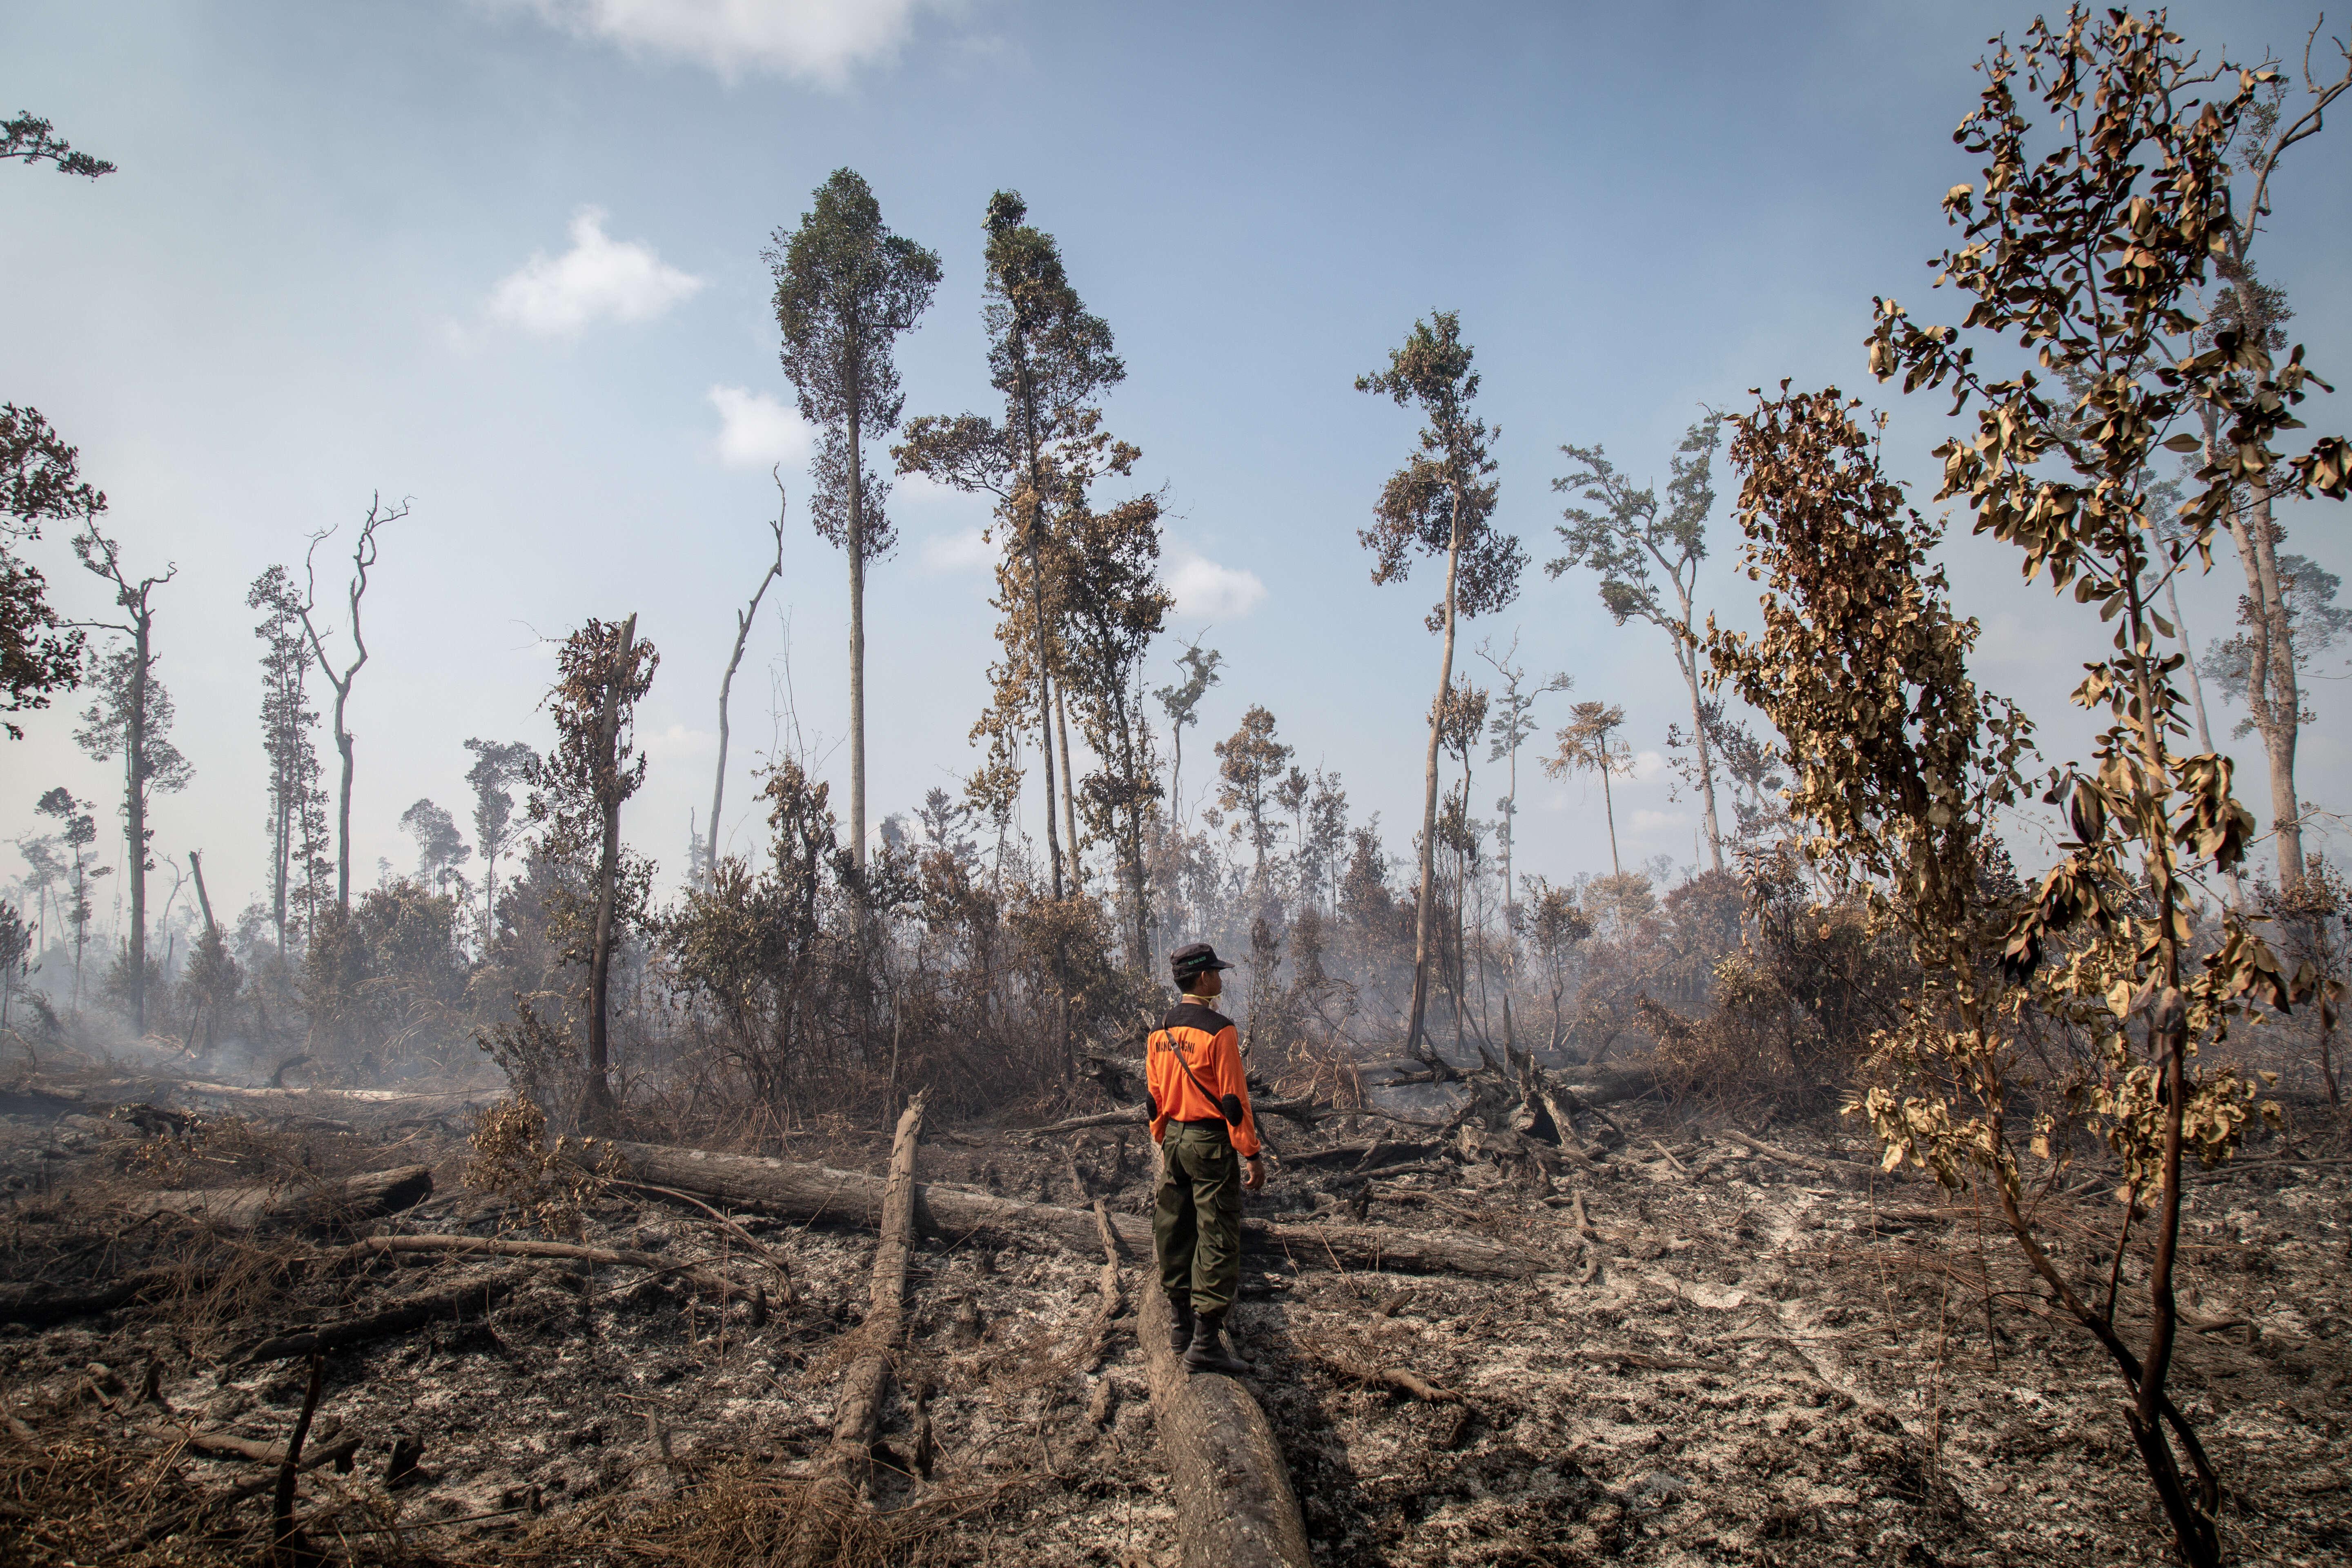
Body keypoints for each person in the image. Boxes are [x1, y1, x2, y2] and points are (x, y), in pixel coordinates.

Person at [1148, 941, 1264, 1375]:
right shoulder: (1220, 1031)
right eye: (1216, 972)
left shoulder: (1160, 1030)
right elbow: (1234, 1101)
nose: (1220, 978)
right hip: (1211, 1141)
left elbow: (1154, 1100)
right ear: (1202, 980)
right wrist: (1251, 1154)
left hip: (1175, 1139)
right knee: (1217, 1233)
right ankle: (1205, 1343)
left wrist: (1164, 1140)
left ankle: (1179, 1326)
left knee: (1174, 1228)